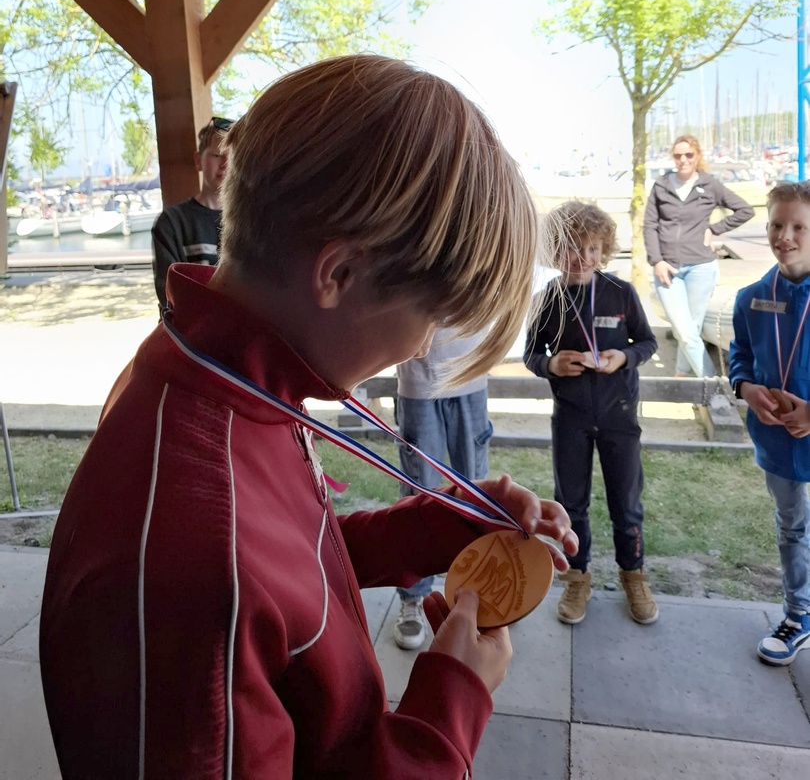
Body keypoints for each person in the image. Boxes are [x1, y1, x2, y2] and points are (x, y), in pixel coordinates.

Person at [39, 54, 577, 780]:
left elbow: (284, 571)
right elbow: (232, 578)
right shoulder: (190, 556)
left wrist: (437, 528)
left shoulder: (228, 381)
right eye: (432, 316)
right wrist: (446, 711)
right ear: (338, 273)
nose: (423, 345)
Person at [524, 201, 658, 625]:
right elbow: (531, 354)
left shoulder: (621, 293)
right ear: (555, 250)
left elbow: (648, 343)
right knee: (571, 502)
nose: (583, 257)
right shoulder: (547, 299)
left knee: (626, 502)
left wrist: (624, 357)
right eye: (571, 247)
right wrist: (551, 364)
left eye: (593, 248)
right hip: (572, 417)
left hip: (619, 415)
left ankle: (633, 576)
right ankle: (577, 578)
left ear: (605, 251)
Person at [729, 181, 810, 666]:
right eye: (778, 225)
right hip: (777, 440)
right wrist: (744, 388)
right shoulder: (751, 298)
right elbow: (739, 354)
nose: (786, 236)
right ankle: (799, 613)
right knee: (791, 526)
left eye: (800, 226)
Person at [393, 327, 491, 650]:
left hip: (471, 374)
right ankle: (414, 597)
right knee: (418, 497)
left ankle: (478, 594)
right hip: (418, 381)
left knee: (476, 497)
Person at [643, 134, 754, 377]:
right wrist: (657, 260)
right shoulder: (661, 185)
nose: (683, 160)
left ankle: (681, 374)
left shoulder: (710, 185)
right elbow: (649, 225)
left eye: (688, 155)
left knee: (691, 328)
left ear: (697, 156)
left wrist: (714, 229)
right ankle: (712, 382)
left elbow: (745, 210)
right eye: (678, 155)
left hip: (701, 267)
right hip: (668, 268)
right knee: (683, 330)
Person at [151, 115, 234, 313]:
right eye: (217, 155)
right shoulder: (171, 223)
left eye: (233, 155)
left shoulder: (252, 221)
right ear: (198, 161)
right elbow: (169, 295)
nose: (225, 163)